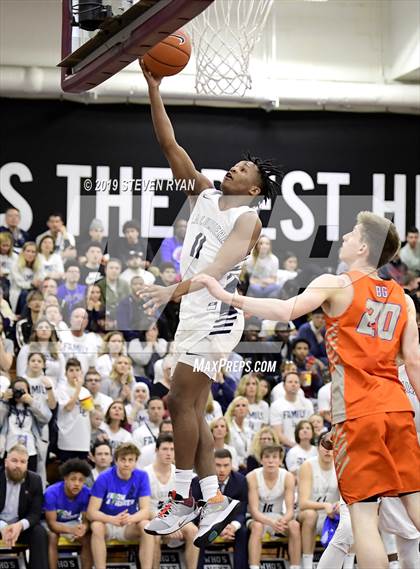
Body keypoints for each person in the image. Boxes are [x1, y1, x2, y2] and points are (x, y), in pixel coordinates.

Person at [195, 211, 420, 568]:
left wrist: (229, 296)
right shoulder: (403, 298)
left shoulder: (337, 283)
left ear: (363, 246)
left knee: (363, 517)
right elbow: (414, 363)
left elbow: (286, 310)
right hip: (398, 409)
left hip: (359, 411)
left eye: (351, 233)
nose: (344, 237)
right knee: (416, 504)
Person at [140, 59, 282, 545]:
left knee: (178, 399)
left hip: (217, 314)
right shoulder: (203, 194)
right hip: (195, 310)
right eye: (235, 164)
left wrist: (168, 291)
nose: (233, 168)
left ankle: (181, 499)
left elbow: (212, 273)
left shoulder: (249, 220)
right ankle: (214, 501)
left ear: (254, 188)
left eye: (242, 169)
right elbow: (170, 146)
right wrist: (154, 88)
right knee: (192, 411)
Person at [87, 442, 154, 569]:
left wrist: (129, 519)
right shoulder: (104, 477)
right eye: (123, 459)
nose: (127, 463)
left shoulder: (142, 476)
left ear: (136, 461)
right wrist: (113, 519)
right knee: (96, 526)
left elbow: (145, 511)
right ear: (116, 460)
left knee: (146, 525)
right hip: (107, 524)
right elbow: (91, 512)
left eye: (131, 460)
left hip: (129, 525)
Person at [145, 434, 199, 569]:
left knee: (193, 530)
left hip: (174, 518)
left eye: (172, 449)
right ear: (156, 450)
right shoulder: (145, 474)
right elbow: (145, 508)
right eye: (164, 449)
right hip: (152, 518)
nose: (169, 453)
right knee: (155, 535)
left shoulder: (181, 474)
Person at [192, 449, 249, 569]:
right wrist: (217, 528)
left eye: (226, 465)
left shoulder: (240, 481)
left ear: (231, 465)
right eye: (218, 465)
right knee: (199, 532)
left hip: (230, 524)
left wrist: (233, 526)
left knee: (243, 531)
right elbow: (196, 511)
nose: (222, 469)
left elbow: (242, 509)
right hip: (206, 523)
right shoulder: (198, 481)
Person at [247, 445, 301, 569]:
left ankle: (295, 566)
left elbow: (290, 510)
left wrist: (283, 520)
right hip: (257, 518)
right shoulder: (252, 477)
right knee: (257, 527)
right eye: (266, 457)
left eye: (274, 457)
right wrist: (271, 522)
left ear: (280, 461)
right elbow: (254, 511)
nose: (271, 461)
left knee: (294, 525)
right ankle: (254, 567)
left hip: (277, 517)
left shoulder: (288, 477)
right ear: (261, 460)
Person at [0, 444, 48, 569]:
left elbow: (35, 513)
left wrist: (19, 526)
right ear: (6, 462)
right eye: (14, 460)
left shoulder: (35, 480)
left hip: (19, 528)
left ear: (27, 464)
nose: (18, 465)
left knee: (39, 532)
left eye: (22, 462)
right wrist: (3, 527)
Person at [297, 433, 340, 569]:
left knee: (351, 515)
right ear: (318, 447)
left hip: (332, 515)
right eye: (325, 446)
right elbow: (303, 503)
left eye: (332, 446)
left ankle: (348, 564)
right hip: (308, 514)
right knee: (310, 515)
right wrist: (325, 505)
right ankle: (308, 565)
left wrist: (339, 505)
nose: (328, 450)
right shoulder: (308, 466)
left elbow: (345, 498)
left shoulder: (340, 465)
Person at [43, 458, 92, 569]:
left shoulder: (87, 493)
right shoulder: (51, 492)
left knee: (88, 538)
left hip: (72, 522)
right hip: (50, 523)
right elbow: (52, 524)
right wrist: (72, 530)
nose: (76, 484)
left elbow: (85, 521)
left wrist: (83, 528)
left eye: (81, 480)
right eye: (73, 479)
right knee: (52, 536)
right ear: (65, 478)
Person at [0, 377, 52, 472]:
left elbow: (46, 418)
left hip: (30, 451)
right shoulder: (6, 405)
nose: (20, 392)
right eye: (17, 389)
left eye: (23, 389)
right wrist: (4, 401)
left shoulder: (33, 405)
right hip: (10, 450)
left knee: (30, 482)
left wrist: (32, 403)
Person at [56, 358, 92, 462]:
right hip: (67, 441)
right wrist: (77, 390)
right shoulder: (61, 390)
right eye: (71, 370)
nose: (74, 373)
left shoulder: (86, 391)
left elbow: (88, 411)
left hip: (83, 441)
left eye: (77, 370)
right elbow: (68, 407)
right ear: (66, 373)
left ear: (81, 372)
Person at [269, 372, 314, 449]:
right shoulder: (276, 406)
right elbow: (278, 433)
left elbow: (312, 427)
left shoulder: (307, 403)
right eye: (290, 382)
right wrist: (294, 446)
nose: (293, 384)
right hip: (286, 446)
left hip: (306, 445)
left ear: (299, 385)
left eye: (296, 382)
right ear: (284, 386)